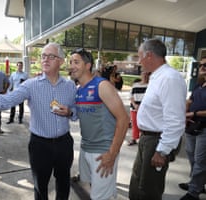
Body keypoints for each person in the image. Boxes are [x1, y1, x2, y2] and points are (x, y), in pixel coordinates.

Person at [0, 42, 77, 200]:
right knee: (40, 186)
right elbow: (6, 101)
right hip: (40, 145)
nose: (45, 59)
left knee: (64, 182)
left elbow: (76, 111)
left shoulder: (70, 86)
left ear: (61, 61)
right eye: (43, 56)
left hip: (64, 143)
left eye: (51, 56)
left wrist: (70, 112)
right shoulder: (30, 85)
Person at [128, 38, 187, 200]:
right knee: (138, 185)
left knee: (148, 190)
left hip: (156, 141)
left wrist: (162, 151)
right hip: (148, 138)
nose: (139, 61)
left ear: (149, 56)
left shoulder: (169, 78)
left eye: (140, 56)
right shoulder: (158, 77)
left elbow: (175, 120)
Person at [68, 48, 129, 199]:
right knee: (98, 190)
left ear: (88, 65)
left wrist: (112, 154)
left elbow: (124, 119)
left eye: (76, 62)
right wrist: (68, 112)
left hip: (103, 151)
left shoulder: (102, 86)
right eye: (70, 62)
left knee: (100, 197)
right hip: (86, 148)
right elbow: (81, 115)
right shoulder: (79, 90)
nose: (71, 66)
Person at [178, 56, 206, 200]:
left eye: (205, 65)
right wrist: (185, 111)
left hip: (204, 127)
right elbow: (190, 100)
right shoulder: (199, 84)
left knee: (200, 160)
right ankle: (197, 183)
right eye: (201, 65)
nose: (202, 68)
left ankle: (194, 192)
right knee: (191, 155)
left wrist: (193, 113)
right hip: (192, 124)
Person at [128, 72, 150, 146]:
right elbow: (131, 96)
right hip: (134, 108)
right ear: (141, 76)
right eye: (143, 75)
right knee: (134, 123)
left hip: (145, 109)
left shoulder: (150, 86)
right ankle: (134, 138)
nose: (145, 76)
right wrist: (135, 105)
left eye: (147, 75)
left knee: (144, 124)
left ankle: (143, 139)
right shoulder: (135, 85)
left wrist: (142, 106)